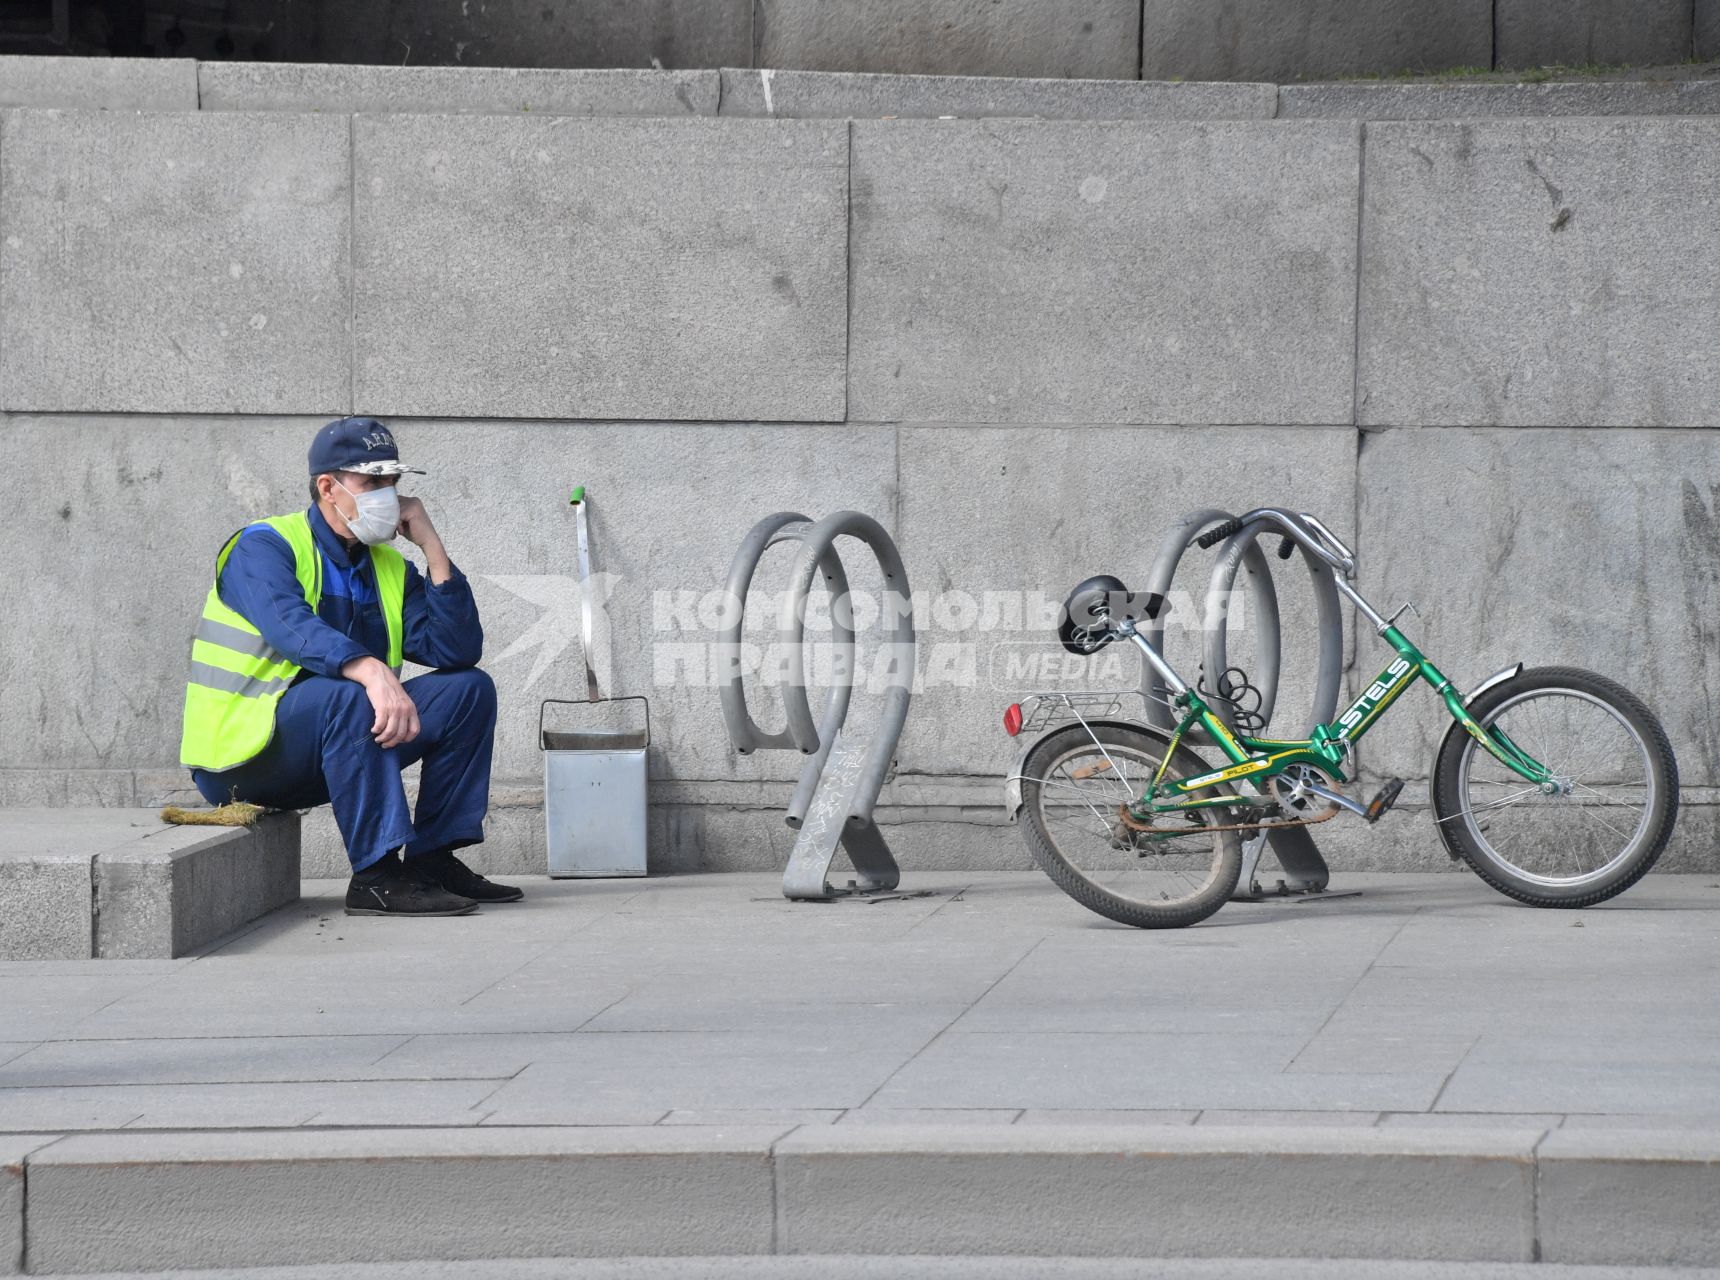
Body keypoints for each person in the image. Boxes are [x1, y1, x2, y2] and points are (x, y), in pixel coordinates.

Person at [180, 416, 520, 916]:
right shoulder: (263, 546)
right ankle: (377, 875)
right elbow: (289, 624)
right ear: (328, 487)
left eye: (393, 482)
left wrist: (433, 548)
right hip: (244, 759)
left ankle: (431, 861)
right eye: (372, 482)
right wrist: (371, 670)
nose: (388, 495)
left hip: (337, 750)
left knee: (469, 689)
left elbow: (456, 650)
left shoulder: (387, 566)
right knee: (349, 692)